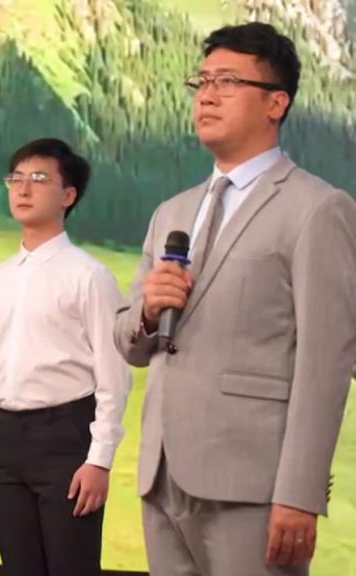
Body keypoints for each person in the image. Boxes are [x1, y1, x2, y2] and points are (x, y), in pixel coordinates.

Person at [114, 22, 356, 574]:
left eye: (227, 81)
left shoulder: (318, 208)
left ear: (276, 103)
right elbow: (127, 342)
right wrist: (147, 312)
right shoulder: (172, 212)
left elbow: (326, 362)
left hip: (254, 486)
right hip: (162, 477)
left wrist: (299, 492)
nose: (206, 95)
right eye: (200, 81)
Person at [0, 139, 131, 575]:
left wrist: (99, 459)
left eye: (39, 179)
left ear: (68, 195)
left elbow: (113, 376)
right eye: (15, 178)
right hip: (5, 437)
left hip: (65, 436)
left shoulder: (90, 276)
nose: (23, 189)